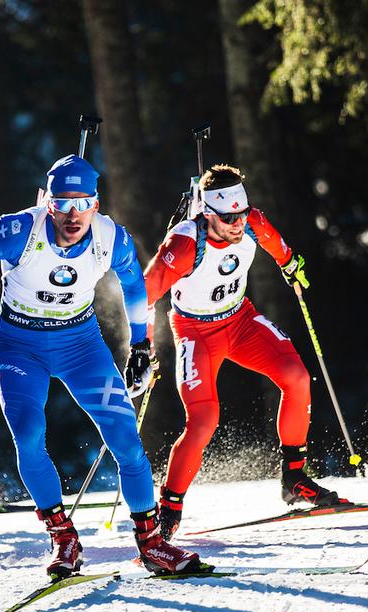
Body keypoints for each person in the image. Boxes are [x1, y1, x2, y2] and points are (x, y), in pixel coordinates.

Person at [0, 154, 203, 578]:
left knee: (126, 439)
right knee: (28, 435)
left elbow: (134, 288)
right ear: (47, 202)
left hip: (81, 347)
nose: (73, 214)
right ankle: (63, 537)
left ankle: (152, 543)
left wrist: (139, 346)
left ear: (96, 203)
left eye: (83, 203)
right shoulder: (21, 229)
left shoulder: (110, 237)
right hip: (20, 348)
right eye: (62, 203)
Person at [143, 164, 349, 540]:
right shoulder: (185, 244)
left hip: (240, 321)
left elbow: (278, 246)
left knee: (297, 377)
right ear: (208, 213)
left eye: (240, 214)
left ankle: (295, 477)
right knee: (203, 421)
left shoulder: (252, 221)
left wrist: (291, 266)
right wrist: (142, 345)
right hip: (195, 332)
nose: (237, 224)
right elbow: (144, 294)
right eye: (227, 218)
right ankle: (169, 509)